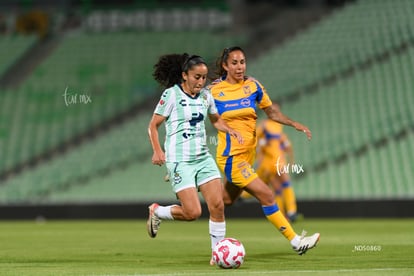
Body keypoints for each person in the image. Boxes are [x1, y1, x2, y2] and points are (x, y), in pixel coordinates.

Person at [207, 46, 319, 255]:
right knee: (267, 195)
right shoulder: (213, 91)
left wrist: (293, 123)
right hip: (231, 158)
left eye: (242, 62)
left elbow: (271, 112)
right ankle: (296, 241)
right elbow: (194, 113)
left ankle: (178, 206)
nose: (240, 67)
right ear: (225, 65)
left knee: (225, 201)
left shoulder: (253, 85)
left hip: (248, 156)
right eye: (234, 63)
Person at [147, 53, 243, 265]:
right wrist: (157, 151)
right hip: (180, 161)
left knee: (218, 205)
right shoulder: (171, 95)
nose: (201, 82)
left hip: (202, 158)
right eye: (196, 77)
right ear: (184, 75)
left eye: (204, 77)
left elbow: (215, 120)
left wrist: (230, 130)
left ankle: (217, 253)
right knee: (192, 212)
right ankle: (157, 211)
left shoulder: (206, 96)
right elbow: (153, 126)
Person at [254, 118, 300, 222]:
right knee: (279, 187)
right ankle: (290, 212)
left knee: (277, 188)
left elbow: (288, 148)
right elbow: (258, 147)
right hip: (269, 165)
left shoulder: (278, 136)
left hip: (275, 164)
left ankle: (285, 214)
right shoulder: (265, 134)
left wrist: (291, 160)